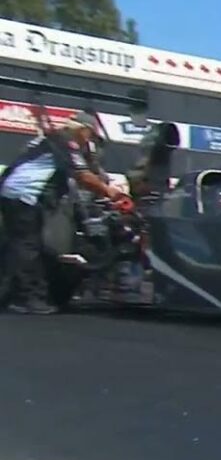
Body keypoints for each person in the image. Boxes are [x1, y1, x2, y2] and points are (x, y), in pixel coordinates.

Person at [0, 111, 130, 314]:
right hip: (24, 195)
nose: (90, 142)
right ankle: (28, 299)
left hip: (13, 192)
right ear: (83, 130)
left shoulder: (50, 138)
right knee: (29, 247)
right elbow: (83, 176)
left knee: (14, 244)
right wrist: (109, 192)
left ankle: (7, 294)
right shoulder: (66, 141)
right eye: (90, 136)